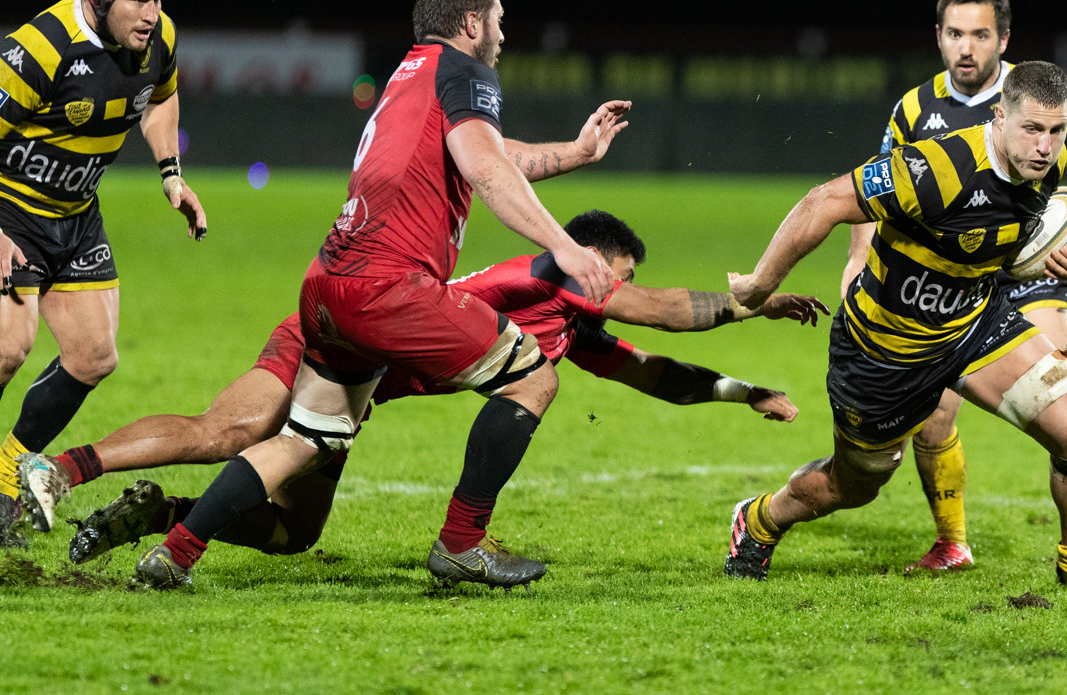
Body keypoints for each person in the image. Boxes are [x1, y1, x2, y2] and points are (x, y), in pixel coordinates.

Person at [96, 0, 633, 592]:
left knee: (303, 442)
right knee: (533, 378)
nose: (503, 34)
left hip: (329, 282)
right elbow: (487, 170)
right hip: (388, 287)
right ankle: (462, 543)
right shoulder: (466, 72)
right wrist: (565, 247)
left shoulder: (415, 71)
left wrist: (576, 153)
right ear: (471, 22)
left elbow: (488, 153)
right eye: (498, 20)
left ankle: (176, 552)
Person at [20, 209, 827, 574]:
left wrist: (746, 392)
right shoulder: (548, 272)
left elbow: (651, 371)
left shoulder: (562, 328)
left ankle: (161, 515)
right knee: (226, 431)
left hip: (361, 382)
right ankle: (61, 469)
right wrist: (755, 298)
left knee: (292, 534)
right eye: (614, 276)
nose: (612, 293)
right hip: (333, 338)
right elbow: (661, 311)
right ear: (588, 260)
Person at [725, 61, 1067, 589]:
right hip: (886, 350)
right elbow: (825, 202)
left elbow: (997, 236)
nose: (1045, 147)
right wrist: (758, 286)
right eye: (1032, 129)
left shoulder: (1045, 166)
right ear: (1000, 117)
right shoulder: (937, 167)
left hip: (975, 323)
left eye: (1055, 131)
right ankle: (759, 519)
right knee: (854, 485)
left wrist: (1059, 257)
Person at [840, 0, 1067, 571]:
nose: (966, 48)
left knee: (1058, 379)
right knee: (933, 418)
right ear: (938, 37)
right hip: (957, 276)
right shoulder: (914, 109)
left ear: (1004, 39)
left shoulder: (1037, 99)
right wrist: (856, 260)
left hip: (1032, 267)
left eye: (980, 35)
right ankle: (952, 542)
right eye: (955, 34)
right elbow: (874, 188)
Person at [0, 0, 206, 547]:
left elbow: (161, 99)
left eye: (158, 0)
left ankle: (6, 479)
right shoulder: (40, 48)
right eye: (138, 0)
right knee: (9, 347)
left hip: (76, 216)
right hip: (12, 213)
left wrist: (171, 174)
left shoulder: (158, 40)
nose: (152, 15)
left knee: (94, 356)